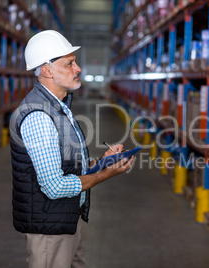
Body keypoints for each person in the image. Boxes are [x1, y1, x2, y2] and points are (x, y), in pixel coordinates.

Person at [9, 30, 134, 268]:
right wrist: (103, 175)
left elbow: (64, 162)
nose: (78, 68)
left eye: (75, 61)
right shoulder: (38, 116)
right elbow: (54, 186)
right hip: (49, 228)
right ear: (46, 70)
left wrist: (101, 163)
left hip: (65, 220)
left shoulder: (59, 106)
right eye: (69, 63)